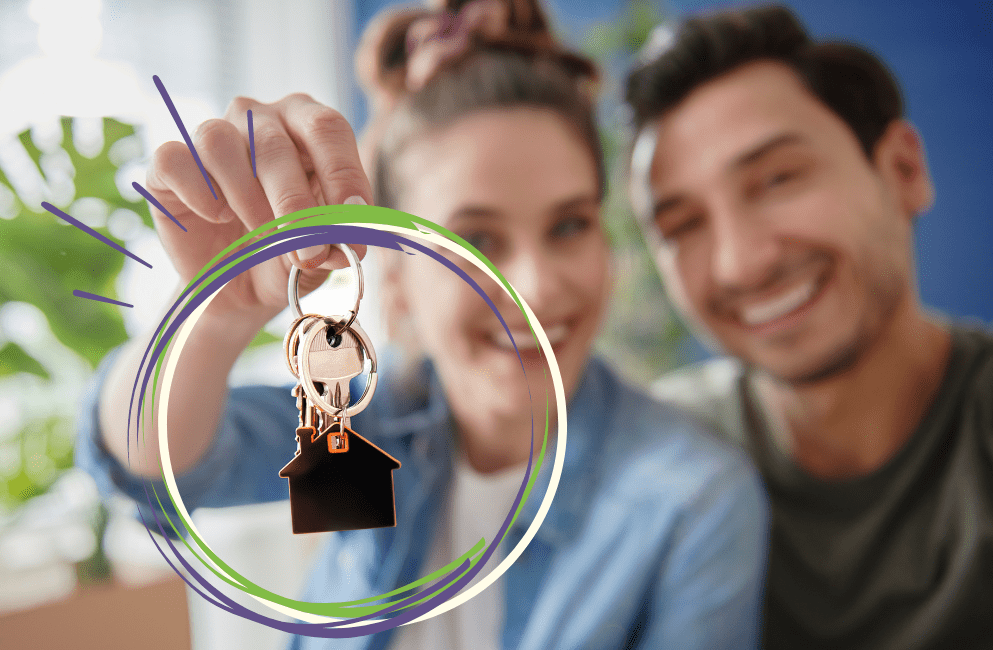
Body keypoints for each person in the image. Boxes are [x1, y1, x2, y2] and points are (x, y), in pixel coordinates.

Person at [76, 1, 769, 648]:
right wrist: (216, 314)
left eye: (569, 224)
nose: (536, 286)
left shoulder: (689, 501)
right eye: (478, 239)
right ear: (398, 281)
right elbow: (155, 470)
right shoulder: (362, 428)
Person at [624, 5, 993, 649]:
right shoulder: (656, 457)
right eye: (683, 226)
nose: (741, 264)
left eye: (777, 180)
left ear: (903, 171)